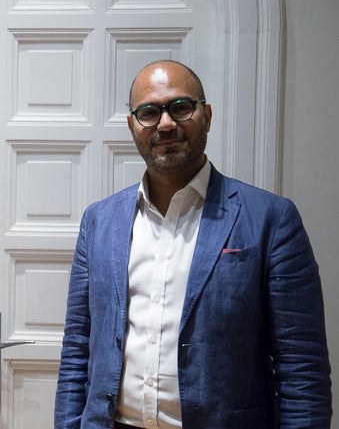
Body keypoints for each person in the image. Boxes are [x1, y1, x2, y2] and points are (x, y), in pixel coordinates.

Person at [54, 60, 332, 428]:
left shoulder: (270, 219)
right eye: (149, 113)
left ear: (207, 115)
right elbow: (78, 348)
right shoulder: (99, 221)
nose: (165, 124)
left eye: (180, 107)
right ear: (133, 125)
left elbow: (302, 367)